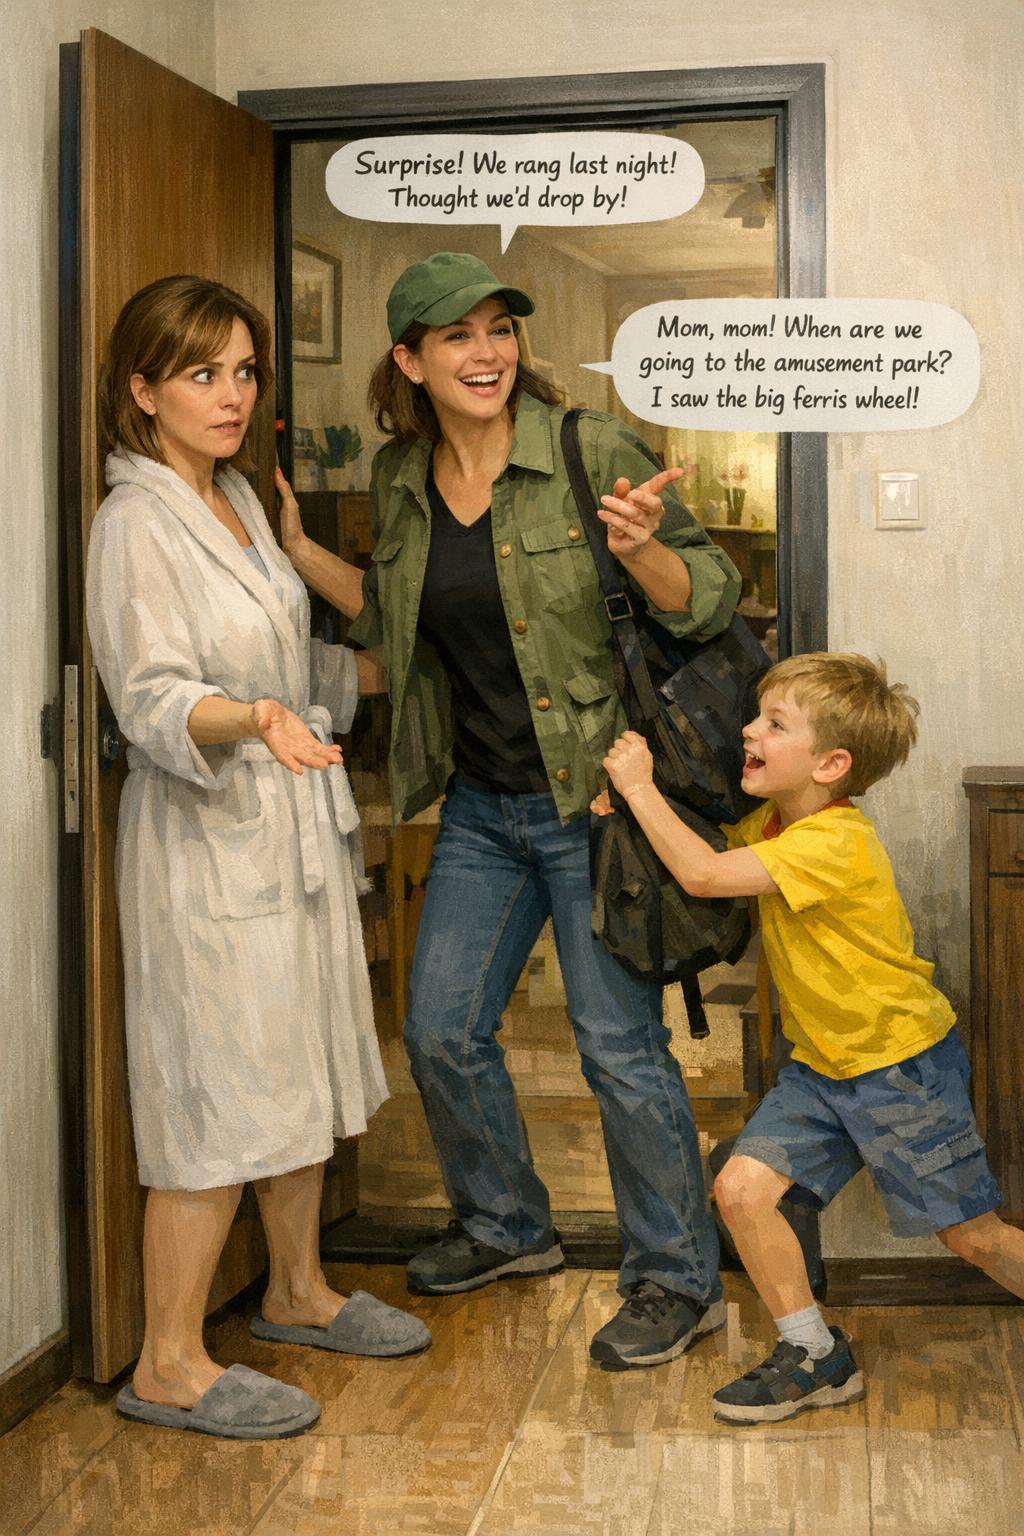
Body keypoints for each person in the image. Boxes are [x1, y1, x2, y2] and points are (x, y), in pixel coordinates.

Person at [278, 250, 742, 1370]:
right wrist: (294, 550)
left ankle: (676, 1280)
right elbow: (391, 620)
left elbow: (709, 599)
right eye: (458, 336)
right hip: (483, 807)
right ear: (410, 361)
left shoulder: (587, 448)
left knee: (617, 1050)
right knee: (439, 1030)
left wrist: (644, 552)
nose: (486, 352)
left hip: (600, 806)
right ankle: (507, 1227)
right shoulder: (400, 475)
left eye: (499, 329)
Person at [86, 274, 430, 1442]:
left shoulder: (237, 495)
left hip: (287, 818)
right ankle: (168, 1363)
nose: (233, 395)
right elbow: (149, 696)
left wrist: (383, 675)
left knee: (294, 1062)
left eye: (243, 371)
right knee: (215, 1081)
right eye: (203, 374)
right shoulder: (135, 522)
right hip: (206, 838)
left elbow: (287, 660)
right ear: (143, 390)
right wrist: (256, 719)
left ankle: (295, 1290)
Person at [598, 651, 1024, 1420]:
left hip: (899, 1068)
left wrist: (637, 787)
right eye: (757, 717)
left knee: (975, 1239)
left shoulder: (835, 842)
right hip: (822, 1067)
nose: (749, 731)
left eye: (774, 724)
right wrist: (628, 811)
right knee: (740, 1191)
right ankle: (815, 1355)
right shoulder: (771, 824)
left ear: (831, 765)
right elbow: (705, 843)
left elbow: (702, 874)